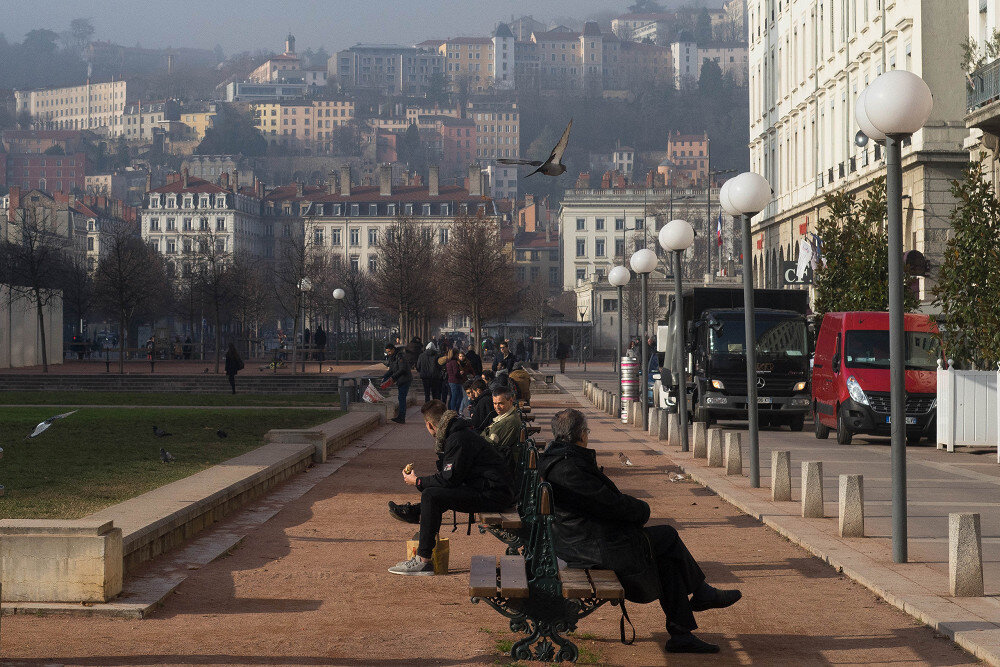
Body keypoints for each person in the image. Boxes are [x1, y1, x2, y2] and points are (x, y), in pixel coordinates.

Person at [538, 409, 742, 654]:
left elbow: (603, 503)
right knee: (667, 535)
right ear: (581, 434)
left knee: (666, 558)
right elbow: (609, 505)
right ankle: (699, 596)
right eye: (587, 431)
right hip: (592, 548)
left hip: (581, 540)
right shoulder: (569, 468)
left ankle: (683, 632)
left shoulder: (560, 459)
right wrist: (642, 509)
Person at [387, 400, 514, 575]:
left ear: (429, 424)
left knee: (431, 496)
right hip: (493, 489)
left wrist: (418, 481)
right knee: (433, 495)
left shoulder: (457, 439)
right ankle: (418, 513)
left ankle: (423, 560)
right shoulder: (458, 432)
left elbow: (449, 479)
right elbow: (452, 477)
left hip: (494, 494)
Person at [481, 386, 523, 474]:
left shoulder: (508, 422)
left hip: (499, 469)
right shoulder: (507, 416)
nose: (497, 407)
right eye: (494, 403)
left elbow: (488, 447)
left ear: (510, 401)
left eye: (501, 403)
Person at [382, 342, 413, 424]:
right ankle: (400, 416)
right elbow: (391, 369)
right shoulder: (392, 357)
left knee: (402, 398)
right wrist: (384, 376)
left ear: (393, 349)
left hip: (405, 380)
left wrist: (392, 377)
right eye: (387, 352)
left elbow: (402, 369)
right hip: (400, 380)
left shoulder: (400, 356)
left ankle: (401, 417)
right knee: (400, 398)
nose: (388, 353)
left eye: (389, 351)